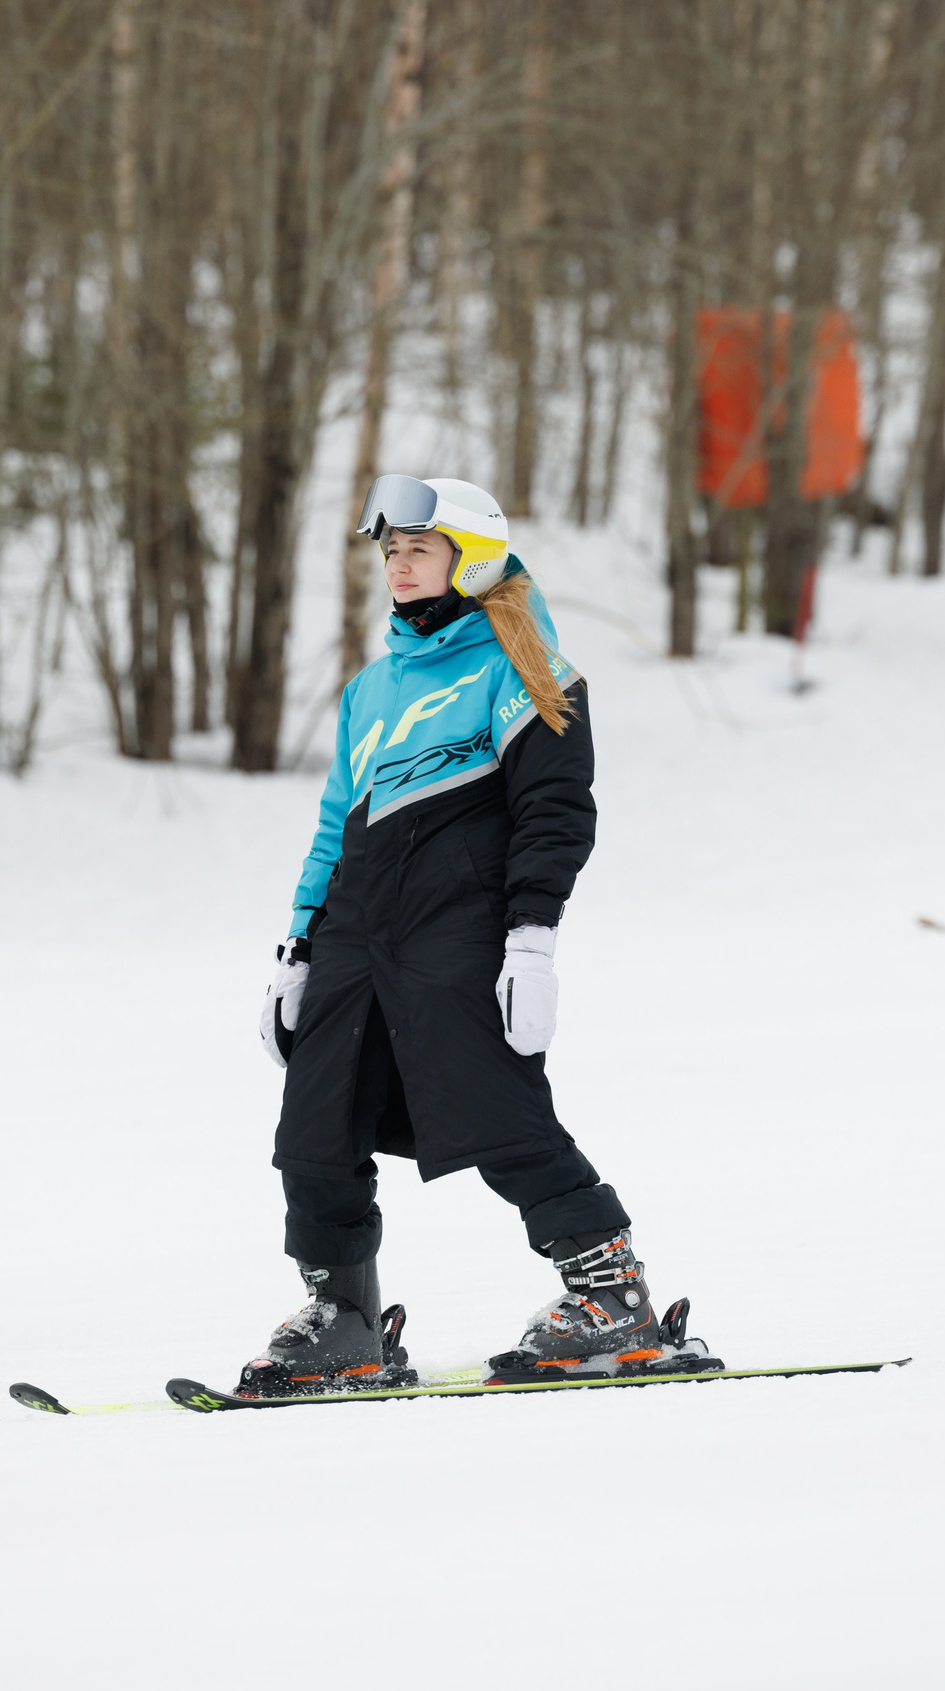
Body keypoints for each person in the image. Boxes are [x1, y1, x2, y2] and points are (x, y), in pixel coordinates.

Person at [245, 475, 713, 1393]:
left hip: (461, 931)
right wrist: (297, 950)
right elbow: (338, 822)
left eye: (420, 549)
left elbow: (553, 810)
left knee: (495, 1113)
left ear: (473, 557)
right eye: (390, 552)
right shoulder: (369, 691)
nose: (400, 567)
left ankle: (611, 1300)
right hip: (355, 934)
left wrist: (531, 938)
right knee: (312, 1130)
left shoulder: (524, 662)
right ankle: (345, 1319)